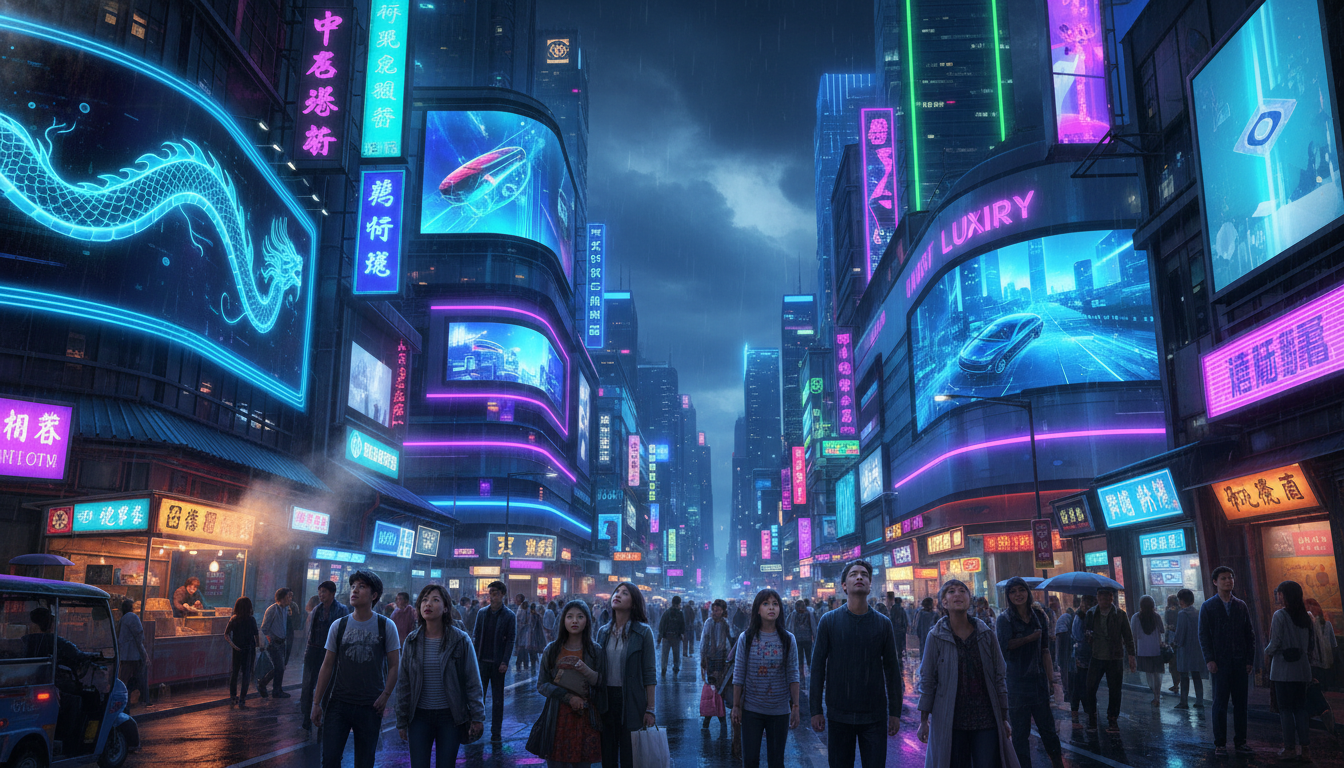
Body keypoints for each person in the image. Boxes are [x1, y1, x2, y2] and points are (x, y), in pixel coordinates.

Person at [810, 560, 901, 768]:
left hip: (874, 716)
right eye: (853, 574)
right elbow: (817, 668)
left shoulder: (883, 624)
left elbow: (892, 670)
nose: (859, 577)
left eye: (864, 574)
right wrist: (815, 710)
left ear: (870, 585)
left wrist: (895, 712)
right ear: (844, 585)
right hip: (839, 714)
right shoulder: (829, 621)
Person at [916, 579, 1017, 768]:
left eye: (962, 591)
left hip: (986, 718)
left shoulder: (986, 633)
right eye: (951, 591)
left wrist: (1004, 718)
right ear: (944, 602)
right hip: (950, 721)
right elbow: (927, 679)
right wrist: (924, 720)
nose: (957, 594)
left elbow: (999, 676)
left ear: (969, 599)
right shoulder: (935, 636)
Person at [310, 570, 402, 768]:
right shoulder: (339, 626)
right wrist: (316, 702)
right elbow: (327, 665)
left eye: (361, 586)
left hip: (370, 705)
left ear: (374, 595)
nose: (355, 591)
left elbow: (395, 665)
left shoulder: (386, 626)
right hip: (339, 703)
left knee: (365, 762)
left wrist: (385, 695)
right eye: (353, 586)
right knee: (330, 760)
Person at [395, 584, 484, 768]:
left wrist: (477, 717)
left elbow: (472, 680)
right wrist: (401, 720)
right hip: (419, 717)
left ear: (445, 608)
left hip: (449, 717)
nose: (428, 604)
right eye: (424, 600)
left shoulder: (460, 640)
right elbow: (404, 684)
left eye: (435, 600)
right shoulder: (412, 641)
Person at [996, 577, 1063, 768]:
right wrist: (1029, 638)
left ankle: (1058, 763)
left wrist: (1050, 680)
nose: (1018, 594)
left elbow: (1045, 650)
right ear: (1008, 596)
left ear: (1027, 592)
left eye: (1021, 590)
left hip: (1038, 682)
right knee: (1020, 734)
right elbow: (1004, 648)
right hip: (1016, 684)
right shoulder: (1005, 619)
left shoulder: (1039, 616)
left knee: (1048, 730)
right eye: (1013, 591)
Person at [530, 600, 605, 768]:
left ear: (587, 621)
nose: (574, 621)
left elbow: (601, 683)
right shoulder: (552, 650)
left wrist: (586, 670)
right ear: (563, 620)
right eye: (570, 616)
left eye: (580, 617)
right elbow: (542, 684)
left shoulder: (595, 651)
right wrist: (568, 697)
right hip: (557, 717)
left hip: (585, 716)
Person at [731, 589, 799, 768]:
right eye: (766, 604)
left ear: (780, 609)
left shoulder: (788, 639)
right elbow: (739, 673)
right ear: (758, 610)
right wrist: (736, 706)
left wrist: (796, 706)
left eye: (775, 604)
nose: (771, 608)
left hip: (779, 711)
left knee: (776, 762)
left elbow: (793, 674)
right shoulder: (746, 638)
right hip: (751, 710)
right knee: (750, 761)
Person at [596, 582, 656, 768]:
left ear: (633, 603)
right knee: (607, 755)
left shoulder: (643, 632)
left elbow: (649, 672)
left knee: (630, 756)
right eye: (617, 591)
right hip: (606, 700)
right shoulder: (603, 632)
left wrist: (650, 709)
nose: (618, 595)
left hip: (632, 700)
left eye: (624, 593)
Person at [1198, 565, 1256, 756]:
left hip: (1240, 662)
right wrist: (1209, 659)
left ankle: (1241, 741)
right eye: (1223, 578)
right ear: (1215, 582)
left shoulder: (1240, 605)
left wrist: (1249, 660)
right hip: (1220, 663)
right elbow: (1203, 635)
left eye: (1230, 577)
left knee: (1241, 704)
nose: (1228, 581)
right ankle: (1220, 743)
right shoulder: (1208, 606)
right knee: (1220, 704)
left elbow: (1249, 634)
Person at [1266, 580, 1315, 763]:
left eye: (1279, 593)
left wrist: (1266, 652)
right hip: (1302, 670)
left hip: (1283, 670)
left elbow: (1275, 642)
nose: (1278, 596)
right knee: (1301, 709)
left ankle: (1289, 748)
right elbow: (1311, 644)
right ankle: (1306, 749)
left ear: (1285, 595)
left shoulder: (1279, 615)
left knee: (1285, 710)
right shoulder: (1306, 616)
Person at [1081, 586, 1135, 733]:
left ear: (1112, 598)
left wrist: (1131, 656)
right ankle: (1092, 718)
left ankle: (1112, 719)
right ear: (1098, 598)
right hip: (1096, 655)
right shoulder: (1091, 613)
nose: (1105, 600)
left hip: (1114, 657)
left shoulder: (1120, 614)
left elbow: (1128, 636)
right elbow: (1085, 632)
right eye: (1102, 597)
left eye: (1108, 597)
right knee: (1090, 688)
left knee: (1115, 690)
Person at [302, 580, 350, 734]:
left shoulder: (342, 610)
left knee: (329, 687)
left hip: (331, 653)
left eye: (324, 592)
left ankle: (325, 719)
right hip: (314, 651)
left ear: (332, 593)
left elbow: (344, 633)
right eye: (319, 592)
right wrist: (307, 652)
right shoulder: (317, 609)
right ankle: (306, 718)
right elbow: (311, 633)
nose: (321, 595)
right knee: (308, 685)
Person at [472, 580, 516, 746]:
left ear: (502, 595)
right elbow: (476, 636)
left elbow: (511, 640)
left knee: (498, 699)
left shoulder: (509, 616)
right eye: (490, 593)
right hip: (482, 662)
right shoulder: (482, 613)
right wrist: (474, 658)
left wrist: (505, 661)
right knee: (478, 698)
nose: (492, 597)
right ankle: (476, 728)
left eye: (495, 594)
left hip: (498, 664)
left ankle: (496, 732)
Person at [1304, 597, 1337, 732]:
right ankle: (1322, 713)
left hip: (1321, 664)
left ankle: (1323, 711)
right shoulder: (1308, 625)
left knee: (1316, 690)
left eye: (1313, 605)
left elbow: (1333, 645)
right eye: (1308, 606)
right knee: (1314, 691)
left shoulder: (1326, 625)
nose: (1311, 608)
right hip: (1314, 663)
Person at [701, 599, 733, 735]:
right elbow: (704, 640)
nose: (715, 612)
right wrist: (703, 658)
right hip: (710, 659)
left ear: (723, 611)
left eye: (718, 610)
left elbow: (730, 641)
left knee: (720, 689)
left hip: (723, 660)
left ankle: (718, 717)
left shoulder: (726, 623)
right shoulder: (708, 623)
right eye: (714, 610)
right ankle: (711, 717)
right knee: (712, 688)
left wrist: (729, 660)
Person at [257, 587, 294, 699]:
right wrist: (270, 641)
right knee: (279, 667)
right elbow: (264, 628)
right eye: (288, 596)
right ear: (281, 598)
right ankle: (268, 686)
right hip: (274, 643)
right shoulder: (272, 609)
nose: (290, 599)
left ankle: (275, 689)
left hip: (282, 642)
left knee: (280, 667)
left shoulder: (285, 609)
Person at [1171, 588, 1205, 710]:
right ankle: (1199, 701)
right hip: (1197, 649)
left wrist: (1175, 643)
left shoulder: (1182, 614)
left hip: (1185, 649)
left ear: (1182, 600)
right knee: (1196, 675)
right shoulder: (1198, 612)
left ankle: (1184, 702)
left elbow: (1180, 633)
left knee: (1184, 676)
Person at [223, 597, 260, 708]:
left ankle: (233, 697)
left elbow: (226, 634)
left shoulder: (234, 619)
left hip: (237, 649)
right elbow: (256, 635)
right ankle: (242, 699)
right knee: (246, 674)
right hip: (249, 649)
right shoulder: (251, 620)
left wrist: (233, 645)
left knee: (235, 673)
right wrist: (257, 645)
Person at [117, 599, 151, 709]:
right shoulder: (132, 617)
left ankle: (124, 701)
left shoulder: (123, 619)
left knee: (124, 678)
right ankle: (143, 700)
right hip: (134, 655)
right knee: (139, 678)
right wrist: (144, 655)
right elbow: (139, 638)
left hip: (125, 654)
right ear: (131, 608)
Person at [1131, 595, 1165, 706]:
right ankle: (1157, 697)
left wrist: (1134, 650)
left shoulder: (1136, 617)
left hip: (1143, 650)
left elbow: (1133, 635)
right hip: (1156, 650)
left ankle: (1154, 693)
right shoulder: (1156, 616)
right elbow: (1162, 631)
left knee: (1149, 674)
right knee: (1157, 674)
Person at [1068, 595, 1096, 722]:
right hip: (1081, 656)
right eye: (1087, 602)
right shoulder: (1079, 617)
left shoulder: (1085, 616)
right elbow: (1078, 636)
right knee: (1081, 684)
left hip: (1086, 655)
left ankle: (1086, 710)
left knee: (1084, 684)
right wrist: (1089, 636)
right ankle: (1082, 711)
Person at [657, 595, 687, 677]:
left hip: (666, 637)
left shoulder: (667, 612)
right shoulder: (680, 613)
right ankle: (676, 667)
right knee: (676, 654)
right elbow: (683, 625)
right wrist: (682, 634)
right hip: (676, 637)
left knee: (665, 654)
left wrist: (660, 636)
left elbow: (662, 625)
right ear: (679, 603)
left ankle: (664, 668)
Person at [787, 600, 817, 679]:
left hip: (800, 639)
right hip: (805, 639)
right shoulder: (809, 613)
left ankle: (802, 674)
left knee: (802, 658)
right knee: (807, 657)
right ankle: (808, 673)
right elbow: (813, 625)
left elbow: (790, 626)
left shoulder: (795, 614)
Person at [1053, 605, 1074, 706]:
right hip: (1064, 634)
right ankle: (1067, 691)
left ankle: (1066, 690)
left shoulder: (1063, 617)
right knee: (1065, 662)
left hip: (1058, 634)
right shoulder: (1070, 618)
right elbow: (1071, 631)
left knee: (1061, 660)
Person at [1164, 594, 1181, 693]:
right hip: (1179, 638)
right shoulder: (1180, 610)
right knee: (1179, 663)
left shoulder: (1168, 611)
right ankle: (1178, 683)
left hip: (1171, 638)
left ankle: (1175, 684)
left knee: (1172, 663)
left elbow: (1166, 625)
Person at [889, 595, 909, 668]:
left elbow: (891, 619)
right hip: (901, 630)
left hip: (894, 629)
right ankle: (900, 655)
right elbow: (904, 620)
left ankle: (896, 655)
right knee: (900, 643)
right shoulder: (901, 609)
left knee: (895, 643)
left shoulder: (892, 609)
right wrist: (905, 627)